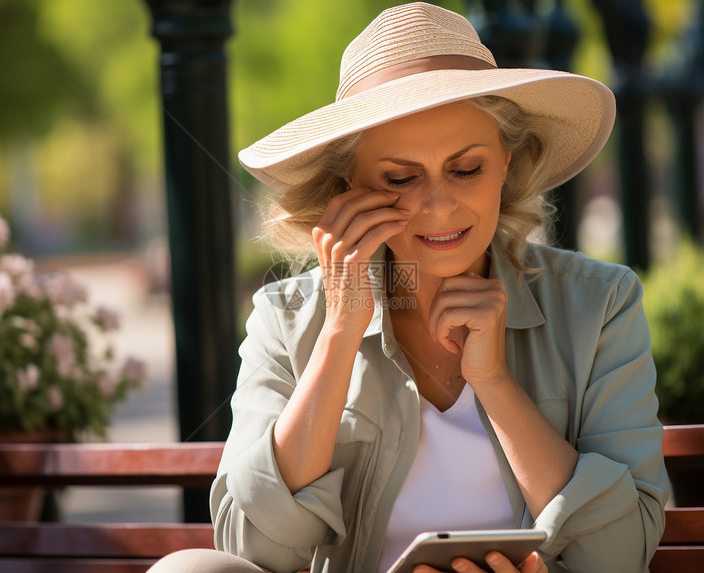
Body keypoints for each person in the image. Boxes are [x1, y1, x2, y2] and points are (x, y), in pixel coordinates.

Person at [148, 3, 669, 573]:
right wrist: (340, 335)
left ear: (506, 161)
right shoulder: (287, 316)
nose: (439, 205)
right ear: (352, 185)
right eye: (400, 178)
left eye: (466, 168)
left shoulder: (600, 303)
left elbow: (618, 555)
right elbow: (254, 550)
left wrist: (493, 382)